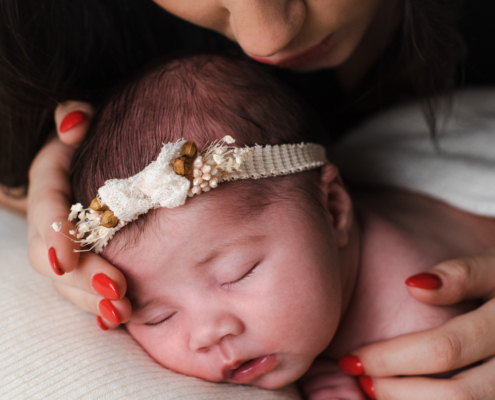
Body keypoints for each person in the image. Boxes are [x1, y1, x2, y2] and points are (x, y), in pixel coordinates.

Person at [1, 1, 495, 399]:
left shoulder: (417, 307)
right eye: (158, 316)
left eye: (239, 273)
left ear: (335, 208)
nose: (207, 334)